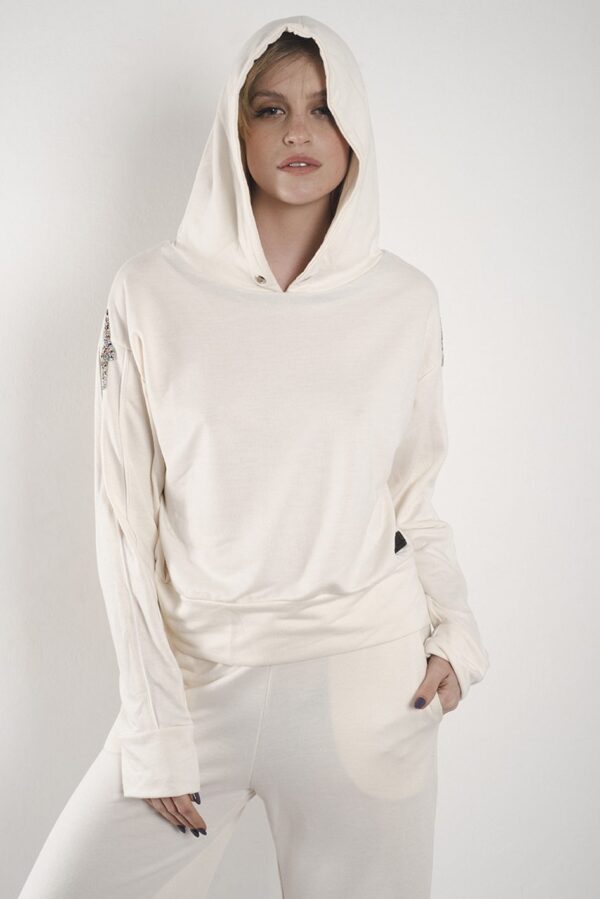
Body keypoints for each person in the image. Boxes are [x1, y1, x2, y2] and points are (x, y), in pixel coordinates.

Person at [18, 14, 490, 899]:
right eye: (271, 109)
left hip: (368, 688)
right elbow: (124, 522)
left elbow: (413, 495)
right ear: (236, 131)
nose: (299, 131)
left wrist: (457, 633)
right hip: (198, 686)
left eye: (323, 108)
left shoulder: (404, 302)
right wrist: (154, 724)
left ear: (355, 129)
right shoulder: (150, 292)